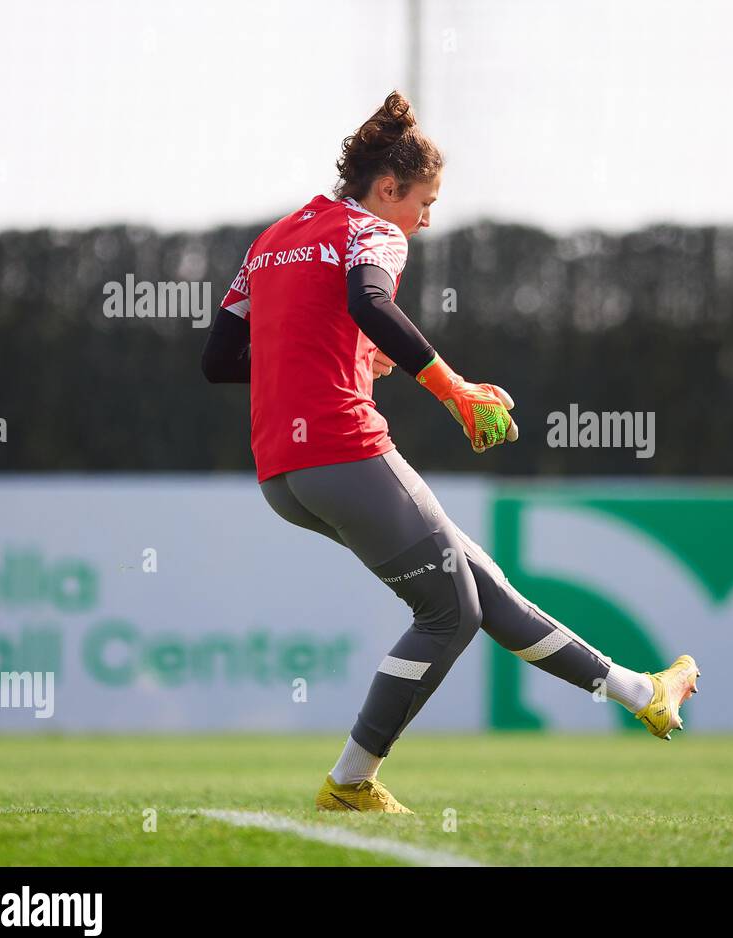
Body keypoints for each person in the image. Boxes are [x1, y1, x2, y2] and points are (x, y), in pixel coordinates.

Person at [201, 91, 699, 813]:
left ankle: (640, 693)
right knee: (450, 613)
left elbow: (219, 359)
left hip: (284, 473)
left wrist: (333, 360)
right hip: (346, 450)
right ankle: (348, 782)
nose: (425, 219)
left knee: (482, 589)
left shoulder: (272, 239)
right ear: (389, 187)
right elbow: (371, 303)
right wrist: (453, 387)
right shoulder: (371, 230)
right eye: (424, 202)